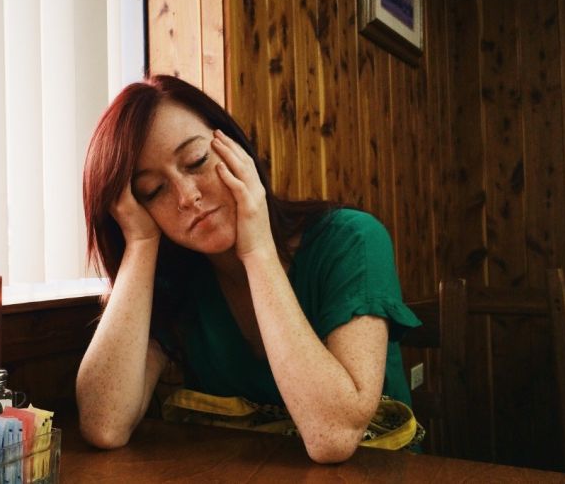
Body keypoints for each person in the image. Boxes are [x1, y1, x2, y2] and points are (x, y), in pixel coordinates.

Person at [76, 75, 421, 463]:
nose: (188, 197)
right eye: (153, 191)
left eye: (197, 161)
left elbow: (333, 435)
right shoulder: (177, 281)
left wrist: (256, 249)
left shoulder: (352, 240)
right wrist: (140, 243)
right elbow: (104, 424)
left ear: (235, 147)